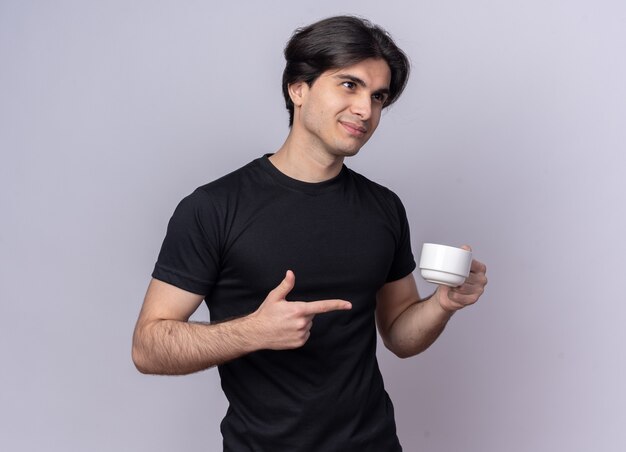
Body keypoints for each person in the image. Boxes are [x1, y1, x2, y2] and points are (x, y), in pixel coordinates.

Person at [132, 15, 487, 452]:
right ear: (297, 88)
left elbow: (398, 333)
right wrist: (252, 332)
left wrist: (443, 304)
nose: (366, 110)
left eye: (378, 97)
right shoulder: (213, 208)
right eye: (349, 85)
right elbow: (148, 346)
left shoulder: (383, 207)